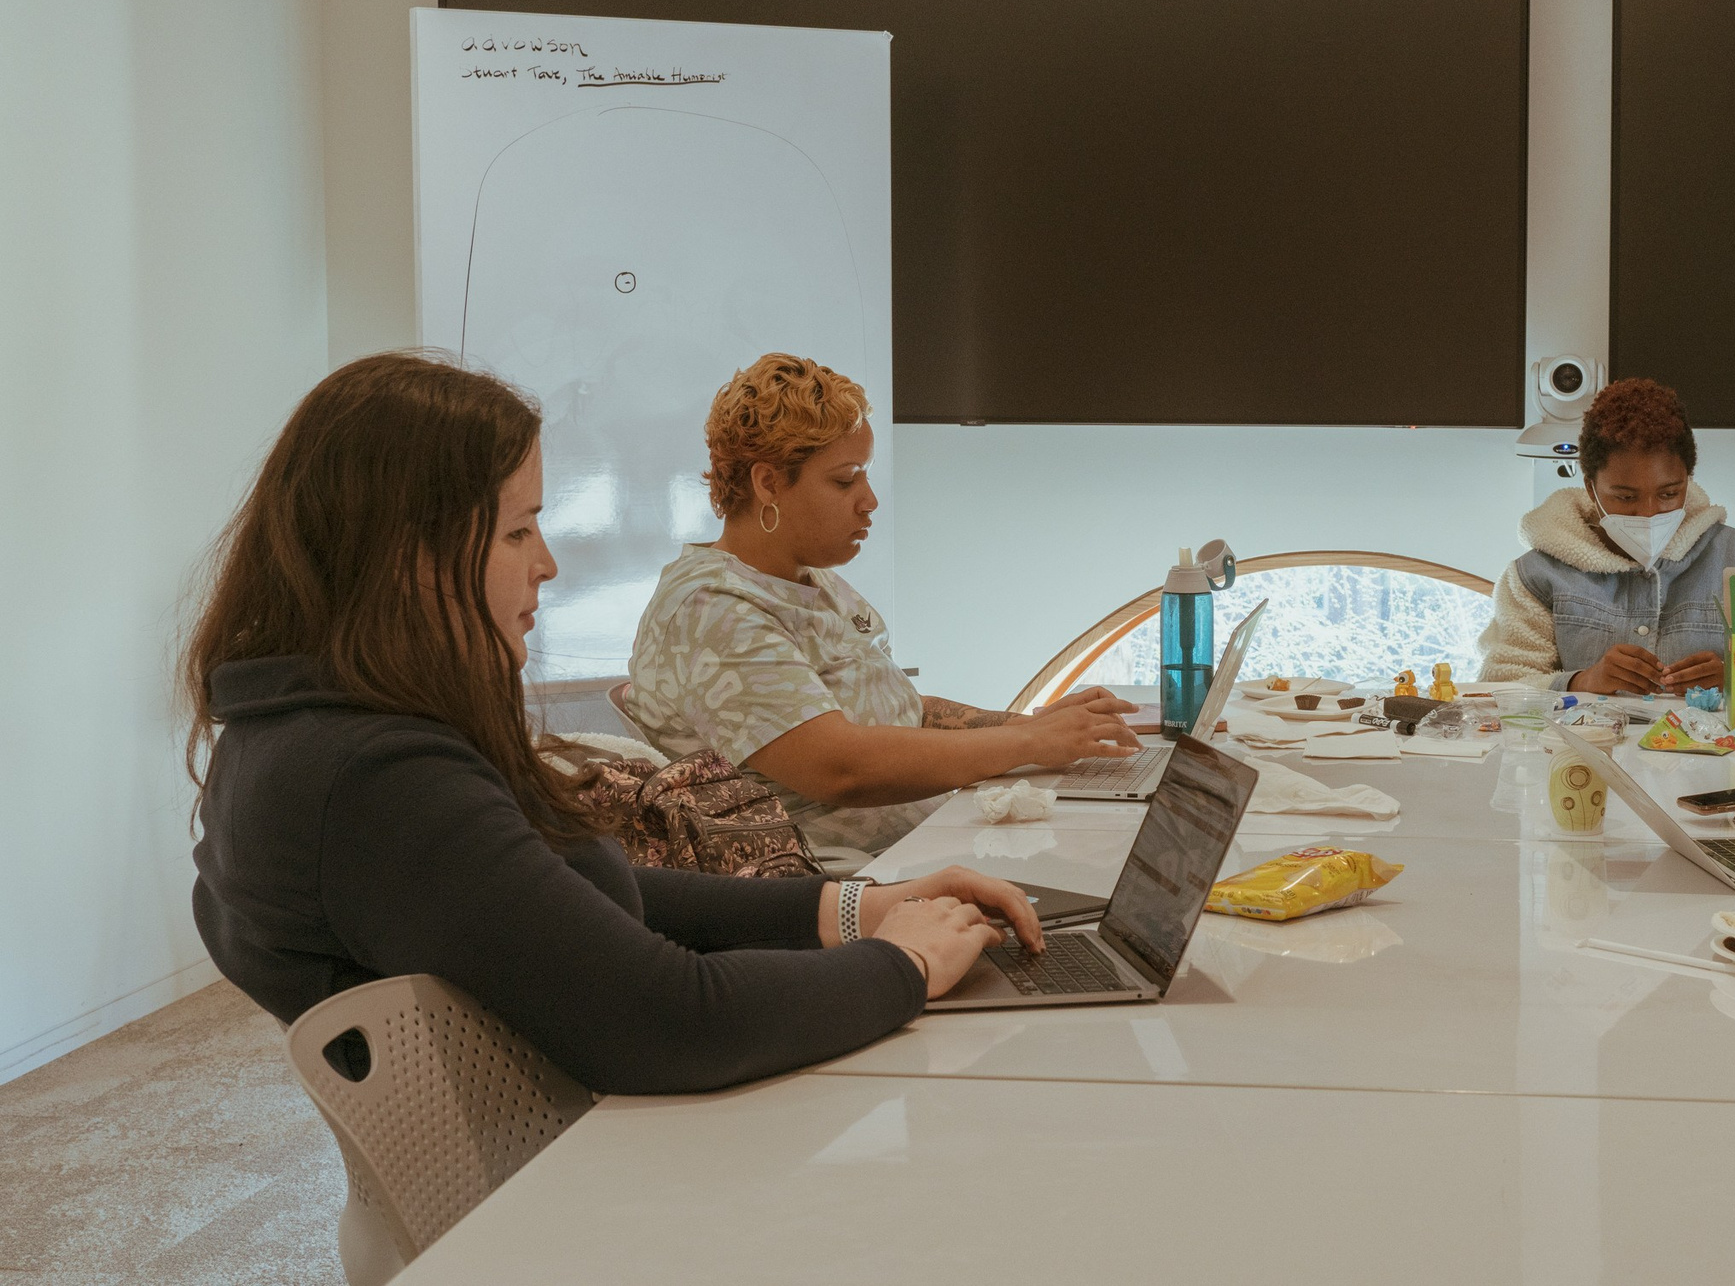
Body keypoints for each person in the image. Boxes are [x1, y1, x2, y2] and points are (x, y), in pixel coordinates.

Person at [188, 352, 1037, 1095]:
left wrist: (859, 911)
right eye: (519, 530)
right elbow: (672, 1020)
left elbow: (581, 895)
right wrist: (907, 964)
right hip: (563, 1187)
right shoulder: (377, 783)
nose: (548, 564)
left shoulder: (310, 731)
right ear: (412, 556)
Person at [625, 354, 1140, 863]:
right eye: (845, 480)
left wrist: (1038, 727)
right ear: (768, 483)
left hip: (930, 840)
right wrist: (1030, 745)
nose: (869, 500)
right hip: (851, 879)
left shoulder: (815, 582)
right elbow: (839, 767)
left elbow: (906, 711)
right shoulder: (713, 609)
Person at [1477, 377, 1735, 694]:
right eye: (1626, 497)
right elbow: (1499, 687)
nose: (1649, 513)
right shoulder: (1534, 577)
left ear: (1687, 479)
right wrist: (1581, 681)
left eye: (1669, 493)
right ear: (1591, 488)